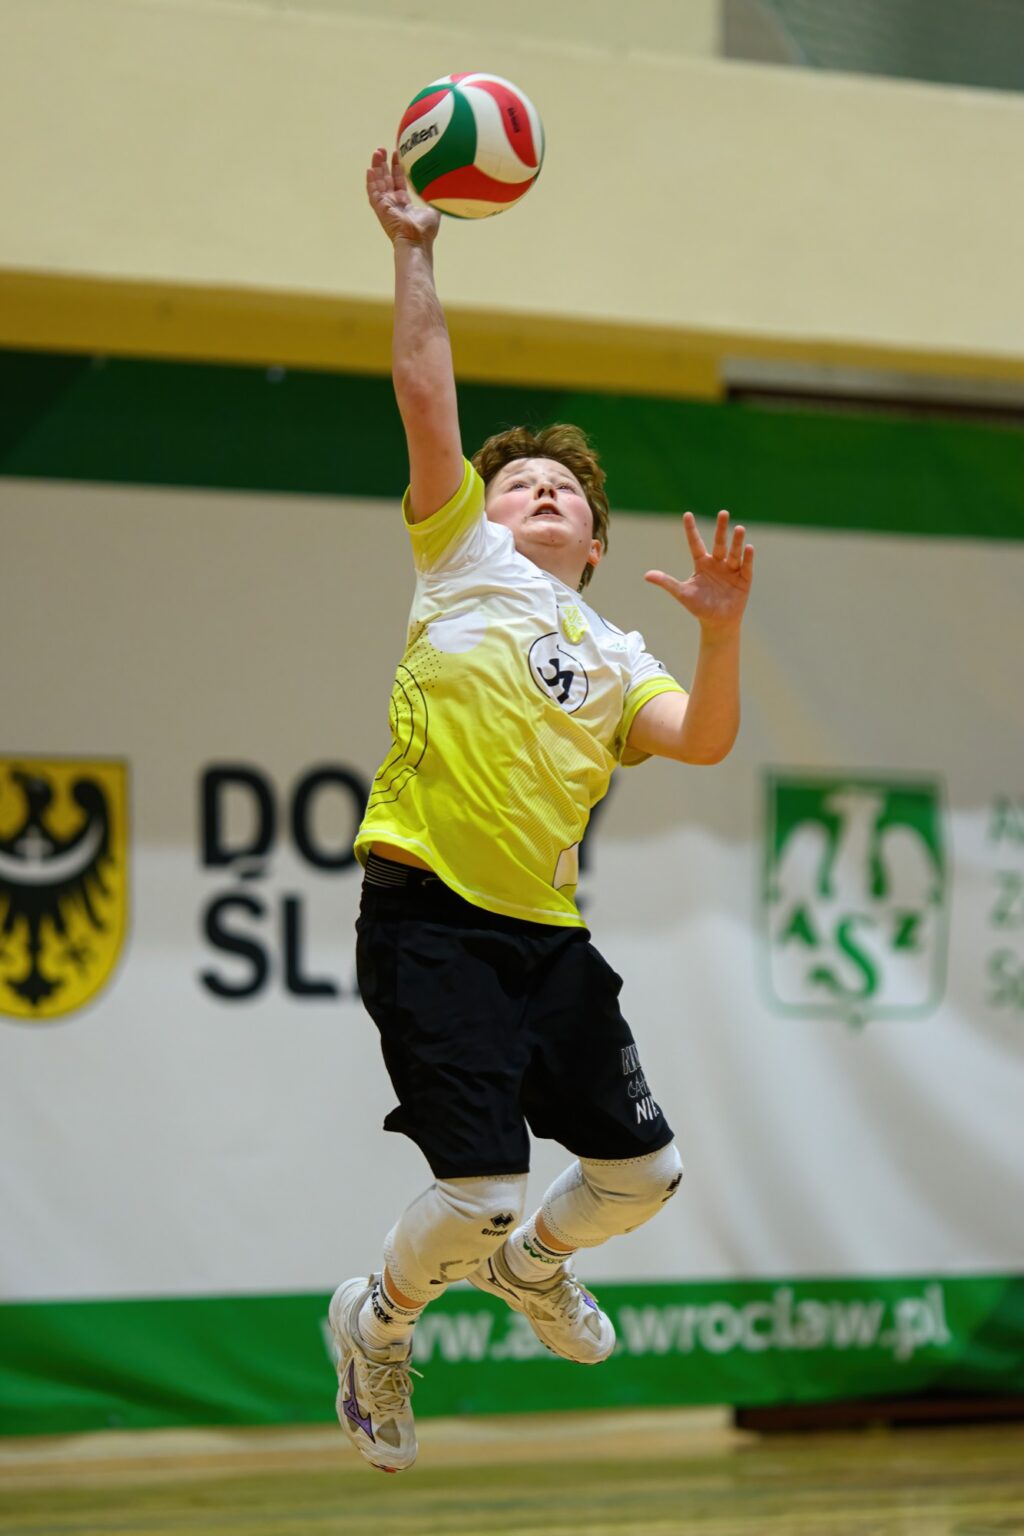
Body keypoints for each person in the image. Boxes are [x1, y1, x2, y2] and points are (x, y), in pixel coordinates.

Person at [329, 147, 754, 1474]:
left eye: (562, 490)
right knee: (477, 1190)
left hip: (547, 935)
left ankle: (531, 1271)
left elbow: (702, 739)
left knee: (643, 1178)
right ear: (480, 513)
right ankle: (377, 1322)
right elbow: (425, 394)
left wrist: (723, 633)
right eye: (516, 483)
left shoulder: (620, 653)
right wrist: (415, 249)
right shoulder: (460, 560)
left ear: (595, 545)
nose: (540, 492)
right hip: (429, 915)